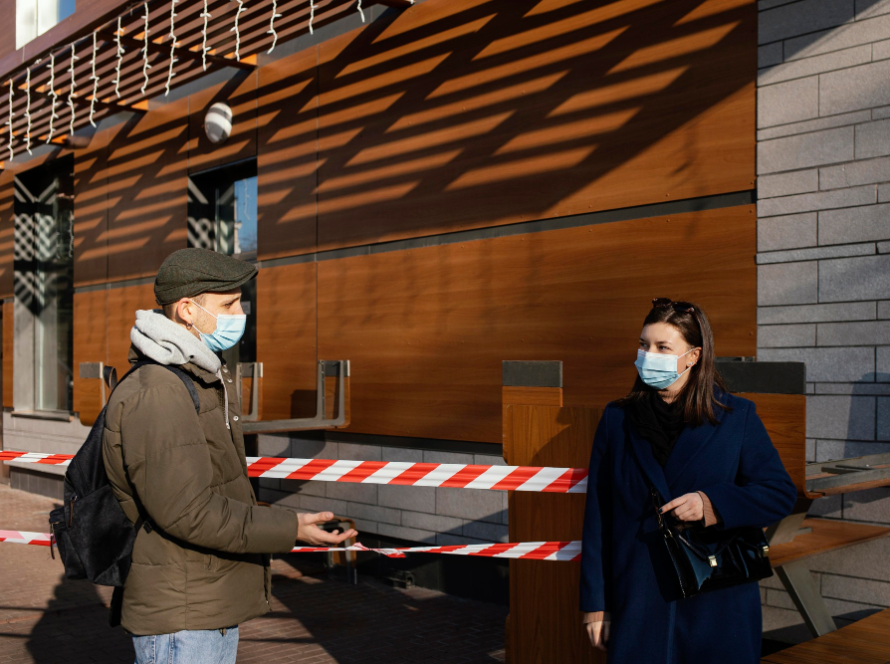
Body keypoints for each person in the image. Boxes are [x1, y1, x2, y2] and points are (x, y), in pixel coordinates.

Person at [103, 248, 357, 664]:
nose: (240, 313)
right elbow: (190, 512)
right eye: (228, 304)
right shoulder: (161, 391)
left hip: (204, 602)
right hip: (184, 617)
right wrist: (290, 527)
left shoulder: (198, 378)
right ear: (187, 310)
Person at [580, 298, 796, 663]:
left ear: (693, 356)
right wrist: (595, 604)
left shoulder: (735, 417)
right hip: (639, 598)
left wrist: (711, 504)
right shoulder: (617, 419)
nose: (649, 354)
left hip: (716, 603)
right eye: (644, 344)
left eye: (663, 347)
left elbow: (778, 494)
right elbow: (598, 516)